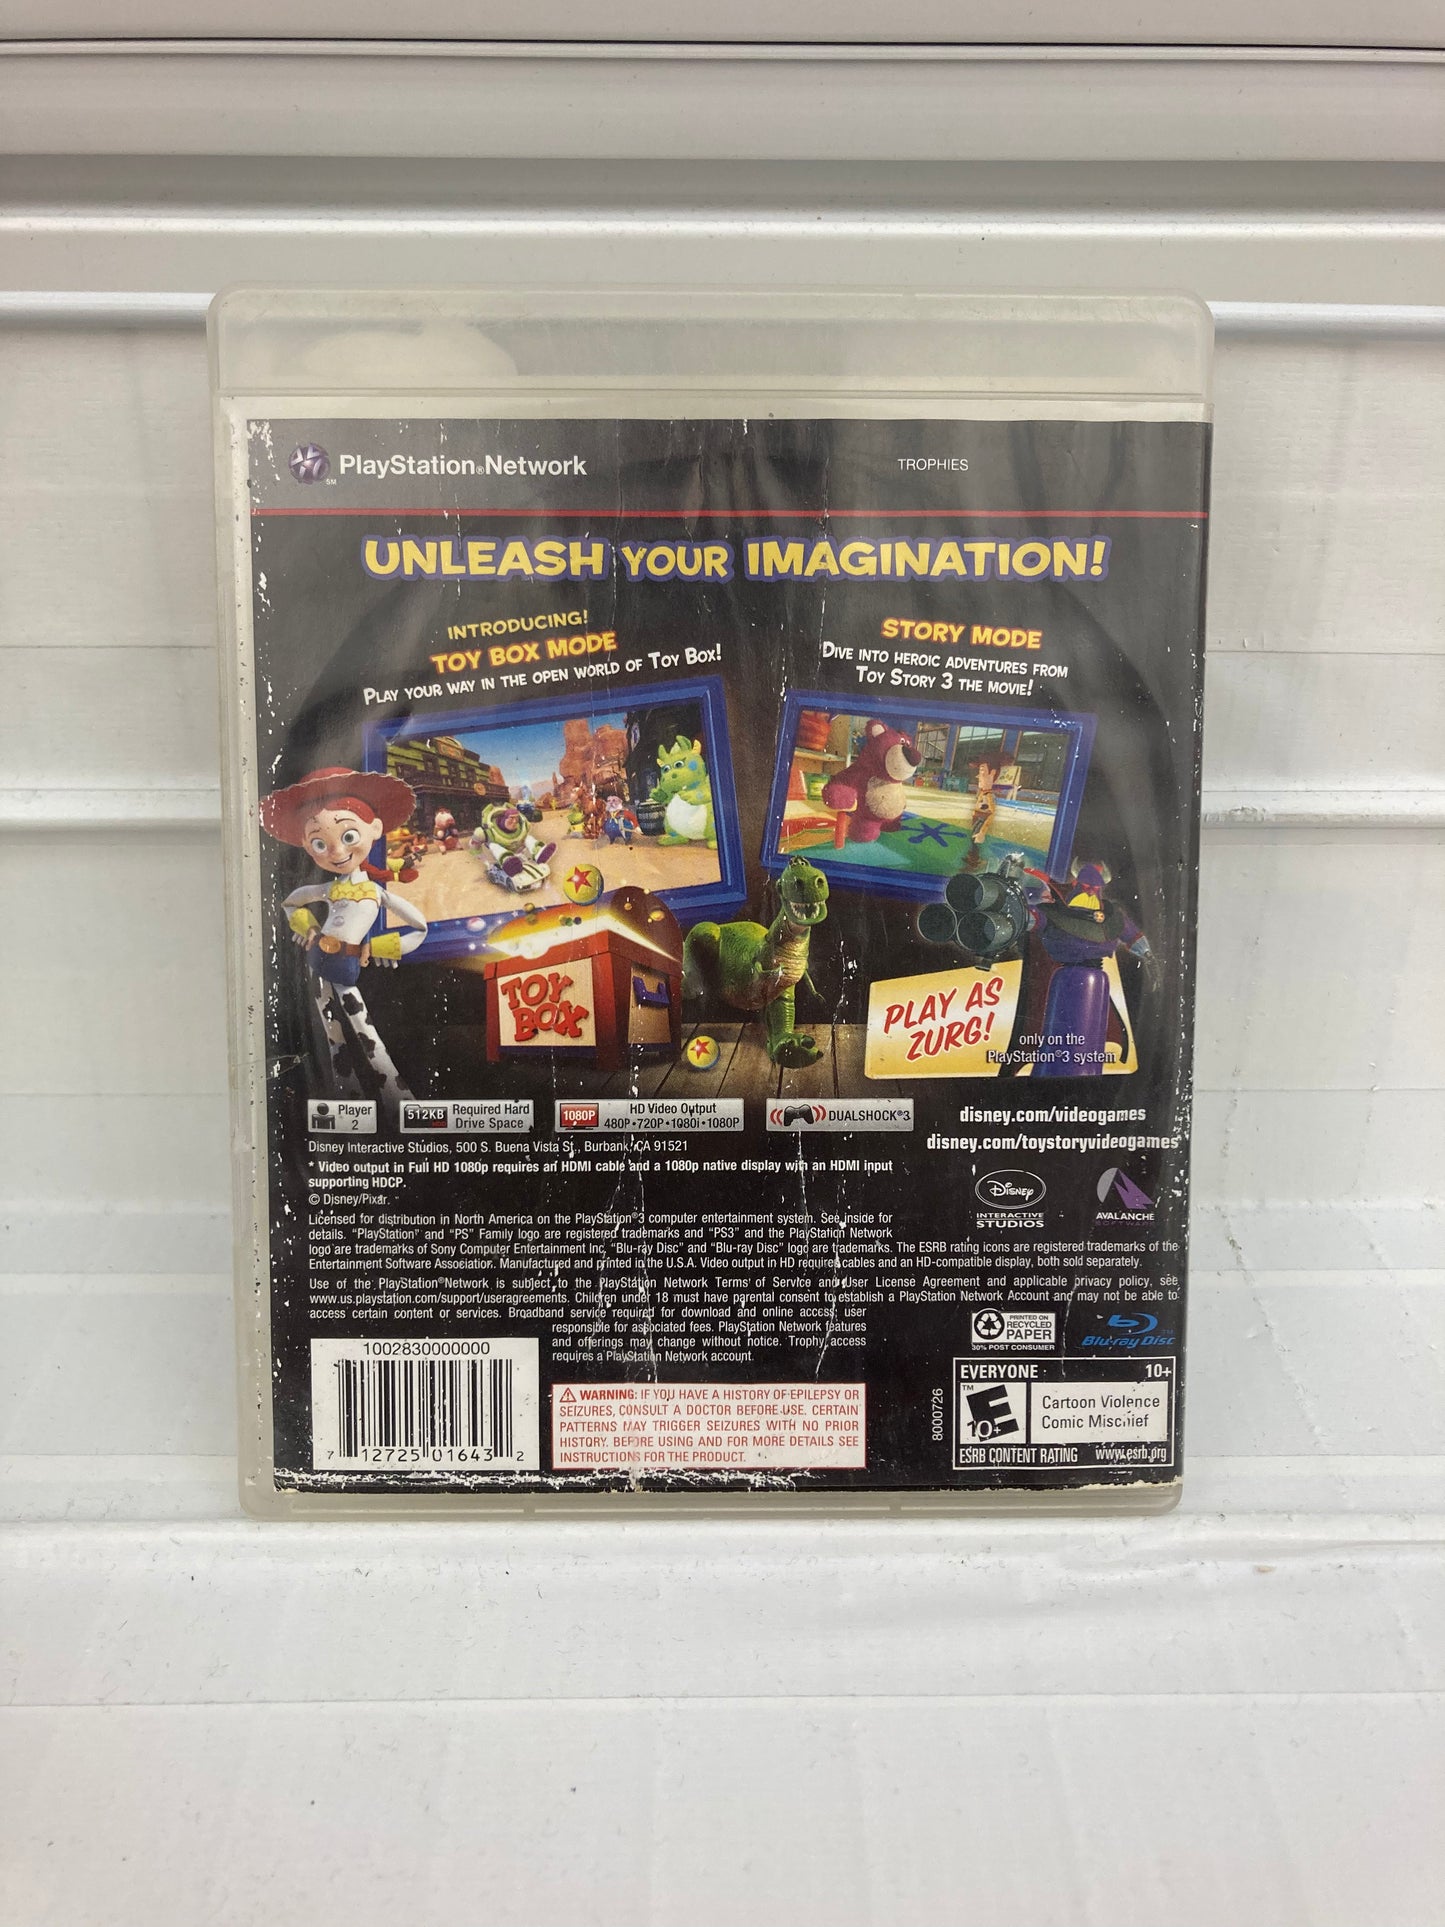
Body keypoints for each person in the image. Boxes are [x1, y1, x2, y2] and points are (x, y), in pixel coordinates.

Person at [259, 766, 428, 1105]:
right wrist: (307, 927)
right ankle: (348, 1091)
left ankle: (396, 1097)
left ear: (374, 828)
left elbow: (420, 927)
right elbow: (290, 902)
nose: (336, 852)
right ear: (307, 845)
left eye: (348, 836)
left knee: (364, 1030)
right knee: (332, 1033)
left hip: (346, 964)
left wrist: (379, 947)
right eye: (320, 843)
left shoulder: (375, 892)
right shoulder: (328, 888)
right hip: (317, 960)